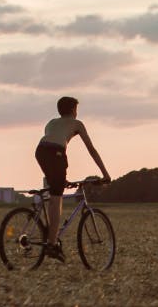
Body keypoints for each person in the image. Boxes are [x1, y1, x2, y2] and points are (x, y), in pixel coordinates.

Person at [35, 96, 111, 262]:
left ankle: (50, 235)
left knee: (56, 189)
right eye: (76, 109)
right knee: (57, 198)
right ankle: (52, 244)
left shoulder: (51, 123)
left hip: (40, 151)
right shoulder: (77, 124)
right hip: (56, 152)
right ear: (73, 110)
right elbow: (91, 149)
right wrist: (105, 174)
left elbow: (50, 143)